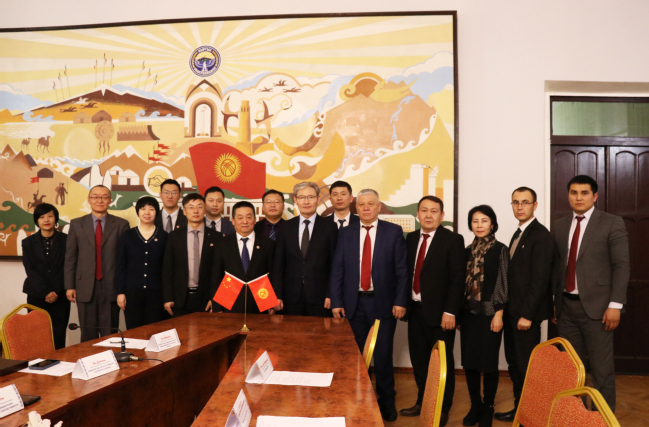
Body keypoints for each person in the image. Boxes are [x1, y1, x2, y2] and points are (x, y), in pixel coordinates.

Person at [551, 175, 629, 412]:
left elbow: (621, 265)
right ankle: (574, 415)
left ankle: (601, 418)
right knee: (570, 370)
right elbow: (555, 267)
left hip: (599, 309)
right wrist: (553, 302)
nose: (579, 197)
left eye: (584, 193)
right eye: (574, 193)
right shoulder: (559, 225)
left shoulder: (611, 222)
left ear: (595, 196)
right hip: (566, 308)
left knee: (601, 370)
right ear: (568, 196)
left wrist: (615, 305)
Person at [330, 189, 408, 422]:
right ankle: (359, 399)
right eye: (361, 204)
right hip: (353, 304)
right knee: (355, 357)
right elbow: (338, 269)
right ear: (356, 208)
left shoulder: (393, 232)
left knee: (382, 356)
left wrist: (400, 301)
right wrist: (336, 301)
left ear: (378, 207)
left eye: (370, 204)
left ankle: (386, 402)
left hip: (383, 304)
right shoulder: (346, 233)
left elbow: (402, 271)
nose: (366, 208)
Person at [399, 196, 465, 427]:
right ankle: (423, 401)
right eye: (424, 210)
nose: (428, 215)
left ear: (442, 215)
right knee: (419, 362)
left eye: (434, 211)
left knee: (442, 363)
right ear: (417, 214)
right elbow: (406, 274)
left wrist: (451, 312)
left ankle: (442, 408)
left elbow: (458, 280)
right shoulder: (411, 238)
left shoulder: (453, 239)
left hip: (441, 315)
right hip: (415, 311)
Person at [495, 187, 555, 422]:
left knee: (526, 367)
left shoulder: (541, 235)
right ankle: (520, 410)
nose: (520, 207)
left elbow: (540, 280)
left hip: (525, 316)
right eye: (516, 202)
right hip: (513, 312)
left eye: (525, 202)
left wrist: (527, 315)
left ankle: (530, 415)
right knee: (514, 364)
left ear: (535, 205)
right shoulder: (519, 232)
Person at [461, 205, 509, 427]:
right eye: (475, 221)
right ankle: (475, 405)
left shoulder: (500, 249)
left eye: (484, 220)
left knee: (489, 363)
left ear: (492, 224)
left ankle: (488, 406)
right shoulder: (466, 251)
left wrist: (499, 313)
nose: (479, 225)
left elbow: (502, 282)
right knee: (470, 363)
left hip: (490, 313)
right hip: (469, 313)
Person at [64, 185, 129, 342]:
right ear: (89, 200)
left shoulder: (121, 224)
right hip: (84, 286)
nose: (100, 200)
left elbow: (125, 259)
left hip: (111, 286)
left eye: (104, 197)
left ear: (110, 200)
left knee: (110, 334)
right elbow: (71, 257)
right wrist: (69, 286)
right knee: (87, 335)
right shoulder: (77, 224)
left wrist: (123, 288)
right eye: (95, 197)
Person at [272, 182, 338, 317]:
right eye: (302, 197)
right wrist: (277, 295)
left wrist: (331, 294)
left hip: (320, 297)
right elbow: (278, 264)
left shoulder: (329, 227)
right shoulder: (286, 227)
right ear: (295, 200)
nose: (306, 202)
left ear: (318, 199)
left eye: (310, 197)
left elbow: (335, 265)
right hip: (290, 297)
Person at [162, 193, 221, 317]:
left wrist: (215, 298)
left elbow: (218, 271)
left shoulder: (216, 237)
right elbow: (167, 269)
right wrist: (168, 297)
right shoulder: (174, 236)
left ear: (205, 210)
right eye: (191, 207)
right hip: (179, 299)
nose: (195, 211)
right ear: (184, 211)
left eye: (199, 207)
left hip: (206, 299)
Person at [210, 201, 275, 313]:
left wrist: (272, 304)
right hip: (229, 301)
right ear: (233, 221)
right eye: (240, 218)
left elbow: (273, 274)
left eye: (249, 217)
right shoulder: (222, 244)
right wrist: (217, 306)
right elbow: (216, 275)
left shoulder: (268, 244)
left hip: (260, 301)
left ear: (255, 220)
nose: (245, 221)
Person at [116, 197, 169, 329]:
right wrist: (120, 293)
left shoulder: (164, 236)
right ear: (137, 212)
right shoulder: (127, 235)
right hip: (132, 293)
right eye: (143, 209)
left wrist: (167, 296)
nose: (147, 212)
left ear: (156, 212)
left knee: (154, 330)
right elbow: (121, 266)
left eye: (151, 209)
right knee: (133, 331)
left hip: (156, 294)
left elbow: (167, 268)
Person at [22, 203, 70, 349]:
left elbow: (67, 267)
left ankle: (59, 361)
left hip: (60, 294)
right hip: (36, 294)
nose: (46, 220)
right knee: (37, 334)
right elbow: (30, 269)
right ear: (37, 220)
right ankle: (38, 362)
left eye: (50, 216)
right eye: (42, 217)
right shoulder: (28, 242)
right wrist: (45, 291)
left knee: (58, 334)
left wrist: (55, 290)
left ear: (56, 219)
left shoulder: (67, 240)